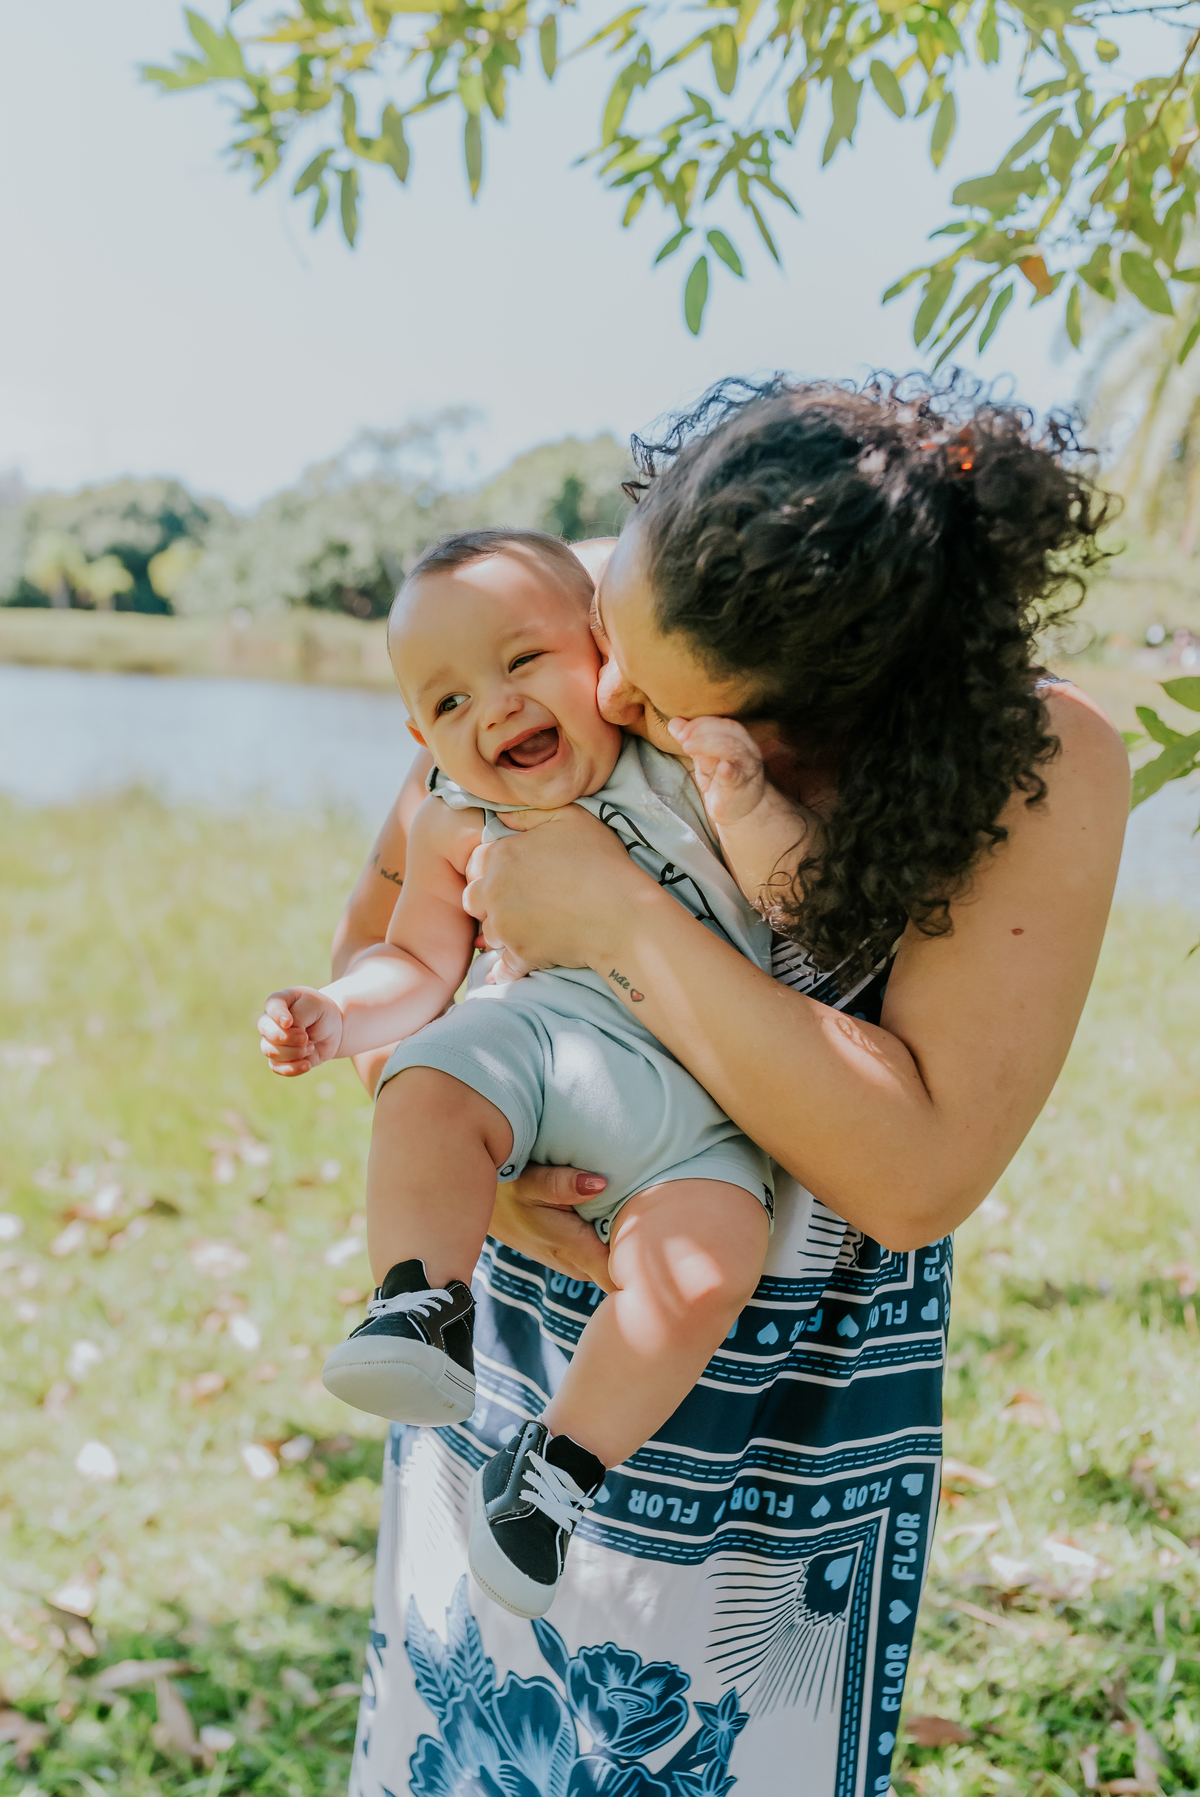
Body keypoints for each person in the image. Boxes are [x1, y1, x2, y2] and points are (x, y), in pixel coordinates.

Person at [333, 377, 1127, 1797]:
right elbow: (399, 933)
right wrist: (476, 1154)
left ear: (803, 717)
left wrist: (626, 923)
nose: (611, 693)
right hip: (515, 1345)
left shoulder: (1039, 764)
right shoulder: (590, 613)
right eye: (610, 639)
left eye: (657, 697)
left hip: (777, 1429)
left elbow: (915, 1172)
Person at [258, 527, 811, 1619]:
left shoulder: (683, 766)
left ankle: (553, 1472)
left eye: (522, 662)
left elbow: (796, 902)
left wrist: (745, 796)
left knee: (706, 1267)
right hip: (534, 1043)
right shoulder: (461, 821)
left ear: (606, 657)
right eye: (451, 704)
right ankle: (419, 1303)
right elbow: (418, 963)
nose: (494, 708)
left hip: (707, 1096)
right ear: (422, 738)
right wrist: (337, 1013)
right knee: (427, 1084)